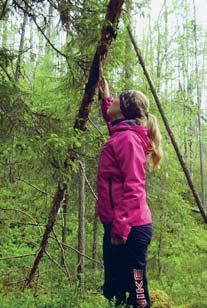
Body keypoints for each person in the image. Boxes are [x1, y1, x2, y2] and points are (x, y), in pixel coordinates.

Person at [96, 77, 163, 307]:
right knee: (117, 288)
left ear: (124, 110)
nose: (113, 99)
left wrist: (120, 229)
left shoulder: (127, 139)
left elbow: (134, 187)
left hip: (129, 229)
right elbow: (114, 128)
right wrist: (106, 100)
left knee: (137, 291)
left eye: (117, 99)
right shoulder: (122, 135)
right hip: (121, 225)